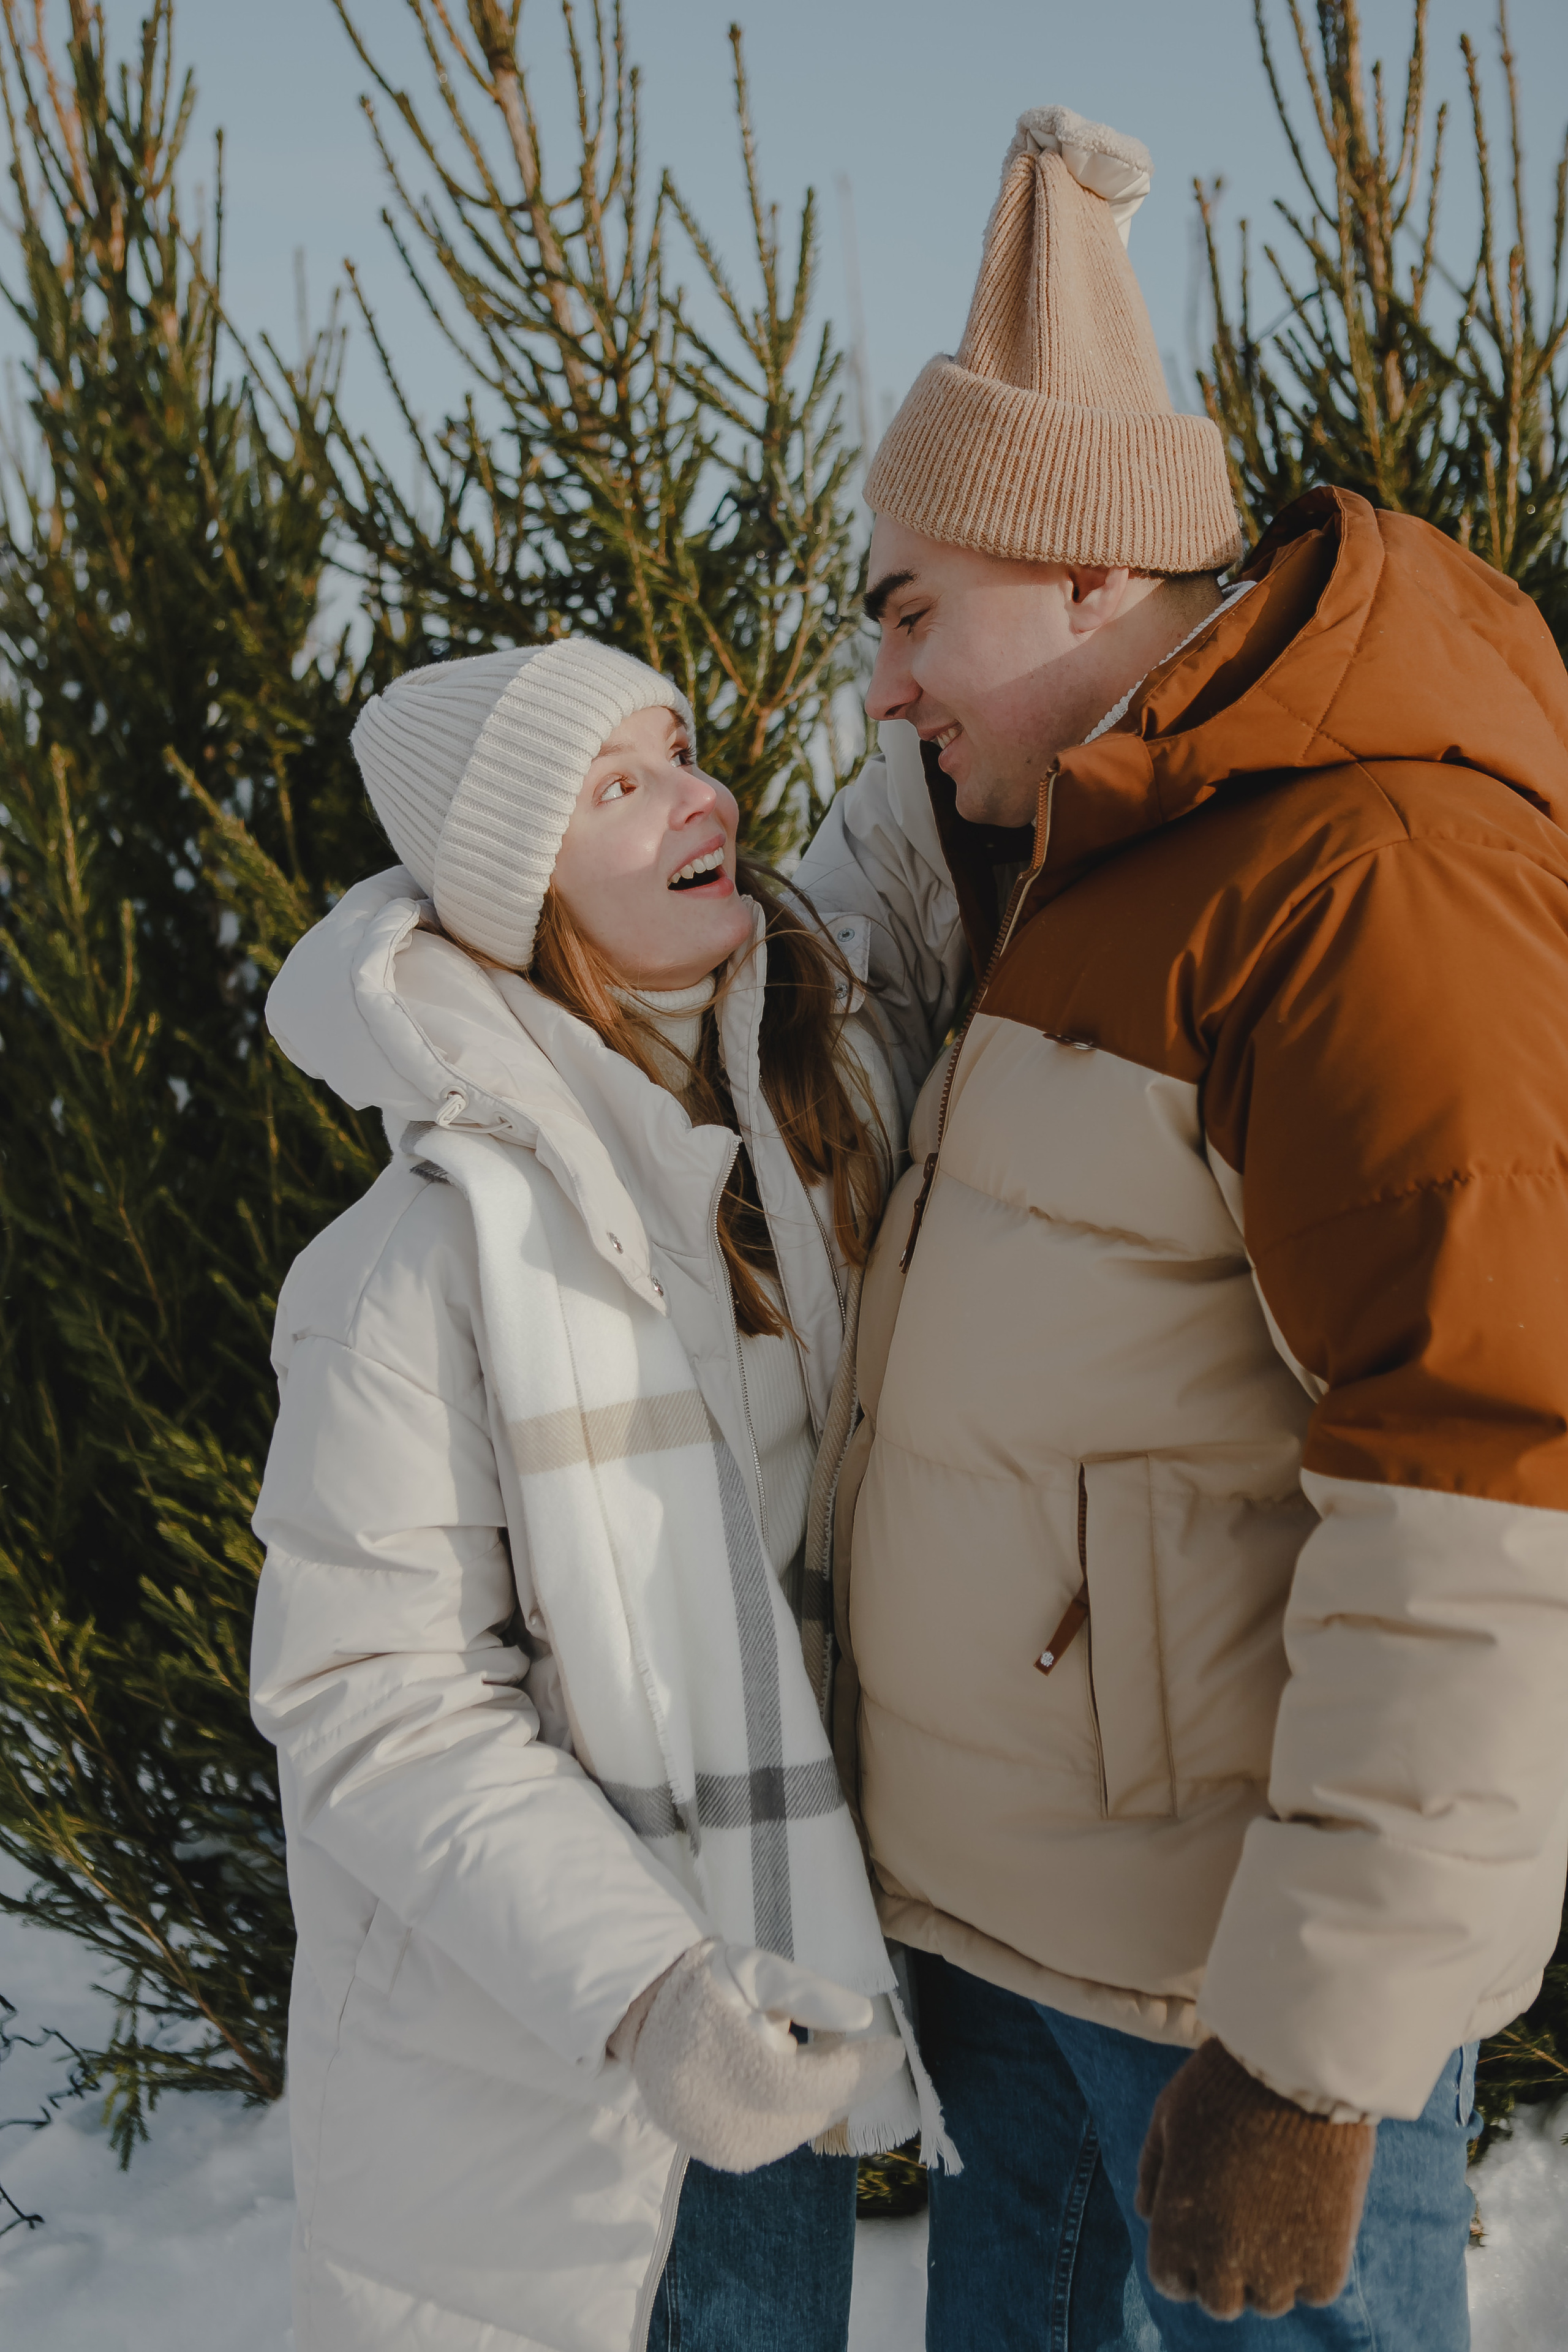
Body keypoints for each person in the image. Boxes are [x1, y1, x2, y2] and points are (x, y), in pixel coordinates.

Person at [792, 102, 1568, 2350]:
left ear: (1087, 579)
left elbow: (1487, 1476)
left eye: (913, 615)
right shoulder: (1082, 850)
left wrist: (1316, 2055)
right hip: (1012, 1948)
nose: (885, 686)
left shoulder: (1364, 883)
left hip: (1214, 1994)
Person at [249, 638, 954, 2352]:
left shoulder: (801, 1124)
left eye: (683, 749)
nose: (700, 796)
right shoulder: (419, 1260)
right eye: (618, 786)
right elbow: (371, 1702)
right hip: (559, 2073)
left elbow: (916, 857)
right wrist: (650, 1990)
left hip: (785, 1991)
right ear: (521, 885)